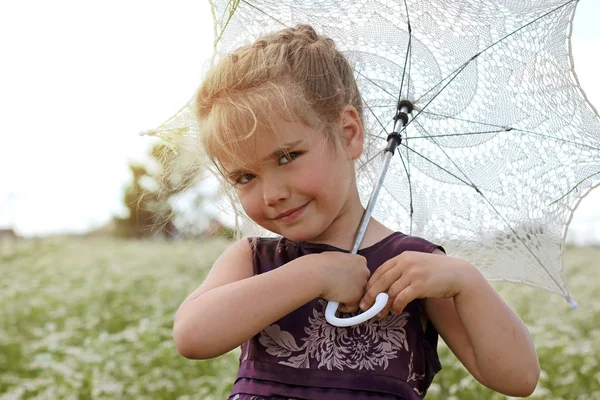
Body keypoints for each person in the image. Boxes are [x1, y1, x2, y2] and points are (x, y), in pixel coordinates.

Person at [173, 25, 540, 399]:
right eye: (245, 176)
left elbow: (518, 379)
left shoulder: (412, 268)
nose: (271, 194)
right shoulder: (255, 260)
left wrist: (467, 282)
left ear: (349, 133)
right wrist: (312, 274)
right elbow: (192, 336)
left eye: (287, 157)